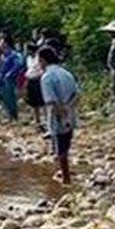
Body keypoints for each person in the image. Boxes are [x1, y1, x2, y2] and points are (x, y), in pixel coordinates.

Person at [38, 46, 78, 185]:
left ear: (43, 60)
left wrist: (62, 115)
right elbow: (75, 94)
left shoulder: (47, 77)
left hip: (58, 116)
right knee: (66, 144)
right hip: (71, 112)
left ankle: (66, 179)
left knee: (60, 147)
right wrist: (68, 109)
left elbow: (52, 102)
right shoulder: (67, 73)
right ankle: (64, 173)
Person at [0, 35, 24, 121]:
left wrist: (9, 74)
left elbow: (18, 64)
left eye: (2, 41)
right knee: (3, 97)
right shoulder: (3, 55)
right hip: (1, 79)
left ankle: (13, 116)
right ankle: (9, 115)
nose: (0, 43)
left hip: (9, 79)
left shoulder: (13, 54)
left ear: (6, 43)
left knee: (10, 97)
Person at [22, 43, 45, 129]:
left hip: (38, 79)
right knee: (33, 102)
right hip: (30, 79)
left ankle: (45, 120)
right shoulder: (28, 59)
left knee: (42, 101)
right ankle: (37, 120)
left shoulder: (38, 58)